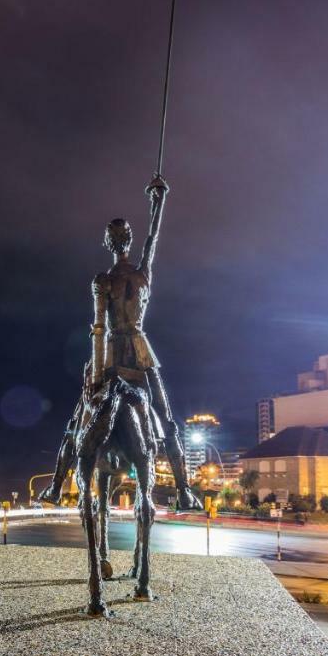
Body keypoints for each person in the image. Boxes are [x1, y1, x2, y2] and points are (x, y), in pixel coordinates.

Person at [90, 175, 201, 511]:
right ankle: (183, 489)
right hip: (140, 352)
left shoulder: (104, 280)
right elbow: (153, 238)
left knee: (92, 417)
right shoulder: (142, 274)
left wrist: (97, 375)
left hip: (115, 354)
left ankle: (67, 469)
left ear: (108, 243)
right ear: (127, 241)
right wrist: (158, 201)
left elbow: (97, 329)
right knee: (166, 420)